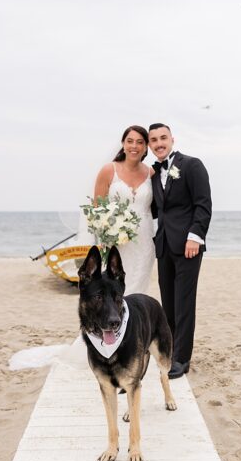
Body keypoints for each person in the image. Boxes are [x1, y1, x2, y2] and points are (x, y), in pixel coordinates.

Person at [148, 123, 211, 379]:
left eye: (163, 138)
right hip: (163, 245)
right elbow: (154, 209)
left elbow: (203, 204)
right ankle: (171, 350)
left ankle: (182, 359)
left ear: (172, 139)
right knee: (168, 304)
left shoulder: (192, 165)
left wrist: (195, 236)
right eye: (154, 140)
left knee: (185, 303)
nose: (159, 143)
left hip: (188, 246)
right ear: (150, 145)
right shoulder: (152, 174)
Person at [90, 125, 155, 295]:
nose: (134, 146)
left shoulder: (151, 173)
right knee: (116, 288)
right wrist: (107, 233)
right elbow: (97, 209)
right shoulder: (108, 170)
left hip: (144, 240)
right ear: (123, 143)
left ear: (146, 146)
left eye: (140, 142)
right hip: (117, 241)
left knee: (139, 289)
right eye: (130, 141)